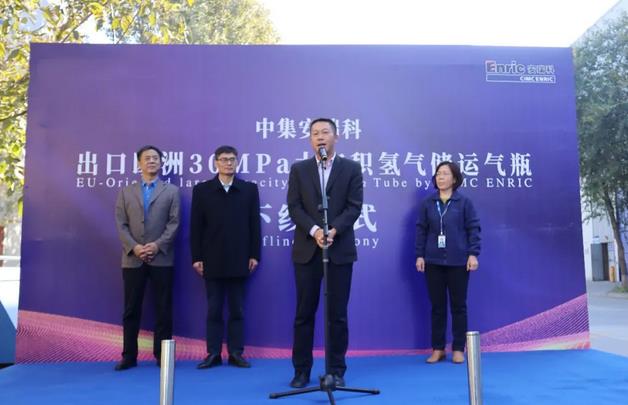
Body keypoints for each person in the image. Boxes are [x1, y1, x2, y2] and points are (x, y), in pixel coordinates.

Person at [286, 118, 364, 388]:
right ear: (310, 140)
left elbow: (354, 206)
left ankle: (336, 370)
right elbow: (294, 206)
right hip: (307, 251)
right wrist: (315, 231)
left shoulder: (351, 168)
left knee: (337, 314)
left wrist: (334, 230)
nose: (320, 137)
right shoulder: (299, 169)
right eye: (315, 133)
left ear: (336, 137)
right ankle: (301, 371)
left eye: (325, 132)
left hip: (339, 250)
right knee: (304, 313)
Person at [190, 145, 261, 369]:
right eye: (223, 159)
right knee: (214, 309)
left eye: (232, 159)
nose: (228, 163)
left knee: (237, 309)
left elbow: (254, 225)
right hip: (211, 259)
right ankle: (213, 353)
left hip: (240, 258)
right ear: (216, 163)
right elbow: (196, 227)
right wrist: (196, 257)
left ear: (237, 162)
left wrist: (254, 254)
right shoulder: (202, 190)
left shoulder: (248, 189)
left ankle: (236, 353)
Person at [114, 145, 181, 371]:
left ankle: (162, 356)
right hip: (133, 258)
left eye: (155, 158)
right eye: (147, 158)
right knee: (131, 309)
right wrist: (135, 247)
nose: (151, 161)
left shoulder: (171, 191)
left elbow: (174, 223)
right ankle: (129, 356)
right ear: (139, 163)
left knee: (163, 308)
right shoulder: (126, 192)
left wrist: (157, 245)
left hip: (162, 258)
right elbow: (121, 224)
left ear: (161, 163)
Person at [415, 161, 481, 364]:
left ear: (454, 179)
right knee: (437, 307)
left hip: (458, 261)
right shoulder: (428, 203)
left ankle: (459, 348)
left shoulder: (464, 202)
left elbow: (473, 228)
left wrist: (473, 254)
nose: (440, 177)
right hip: (433, 261)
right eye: (438, 174)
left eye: (445, 173)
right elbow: (421, 230)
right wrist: (420, 255)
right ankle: (438, 348)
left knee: (458, 306)